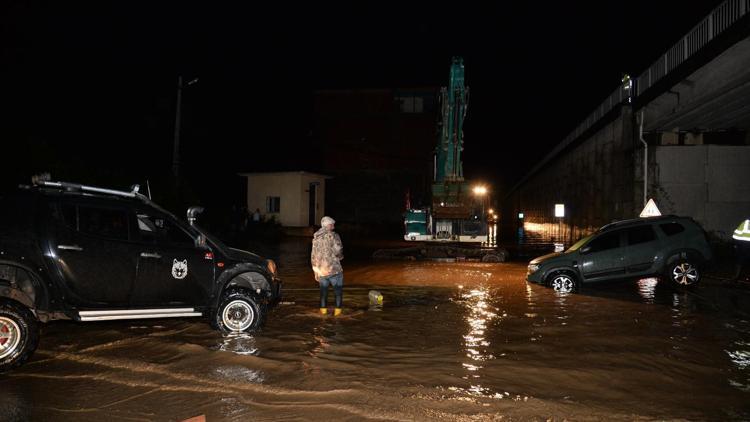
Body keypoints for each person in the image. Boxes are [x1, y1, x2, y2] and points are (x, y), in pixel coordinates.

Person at [311, 216, 344, 315]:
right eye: (332, 225)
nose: (333, 227)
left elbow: (313, 256)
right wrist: (340, 257)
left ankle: (323, 315)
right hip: (334, 270)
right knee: (338, 293)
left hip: (321, 271)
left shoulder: (316, 238)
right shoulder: (334, 236)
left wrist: (315, 272)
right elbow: (338, 250)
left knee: (323, 294)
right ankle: (337, 316)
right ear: (328, 225)